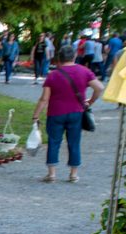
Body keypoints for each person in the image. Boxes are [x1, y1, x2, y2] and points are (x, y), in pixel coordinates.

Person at [31, 44, 105, 183]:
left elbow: (44, 99)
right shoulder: (84, 71)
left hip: (55, 113)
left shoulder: (53, 75)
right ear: (75, 56)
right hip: (76, 113)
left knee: (54, 142)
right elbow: (100, 87)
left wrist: (36, 115)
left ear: (59, 58)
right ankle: (73, 174)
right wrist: (90, 101)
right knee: (74, 142)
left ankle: (52, 174)